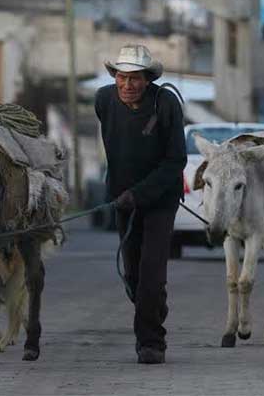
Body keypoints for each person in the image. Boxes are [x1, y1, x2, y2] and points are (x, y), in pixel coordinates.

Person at [94, 44, 187, 364]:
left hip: (160, 200)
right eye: (122, 77)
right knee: (133, 276)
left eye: (135, 78)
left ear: (148, 79)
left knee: (151, 273)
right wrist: (122, 195)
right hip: (123, 201)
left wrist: (140, 193)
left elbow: (176, 160)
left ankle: (151, 342)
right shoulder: (103, 100)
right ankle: (153, 307)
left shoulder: (166, 104)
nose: (127, 85)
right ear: (114, 77)